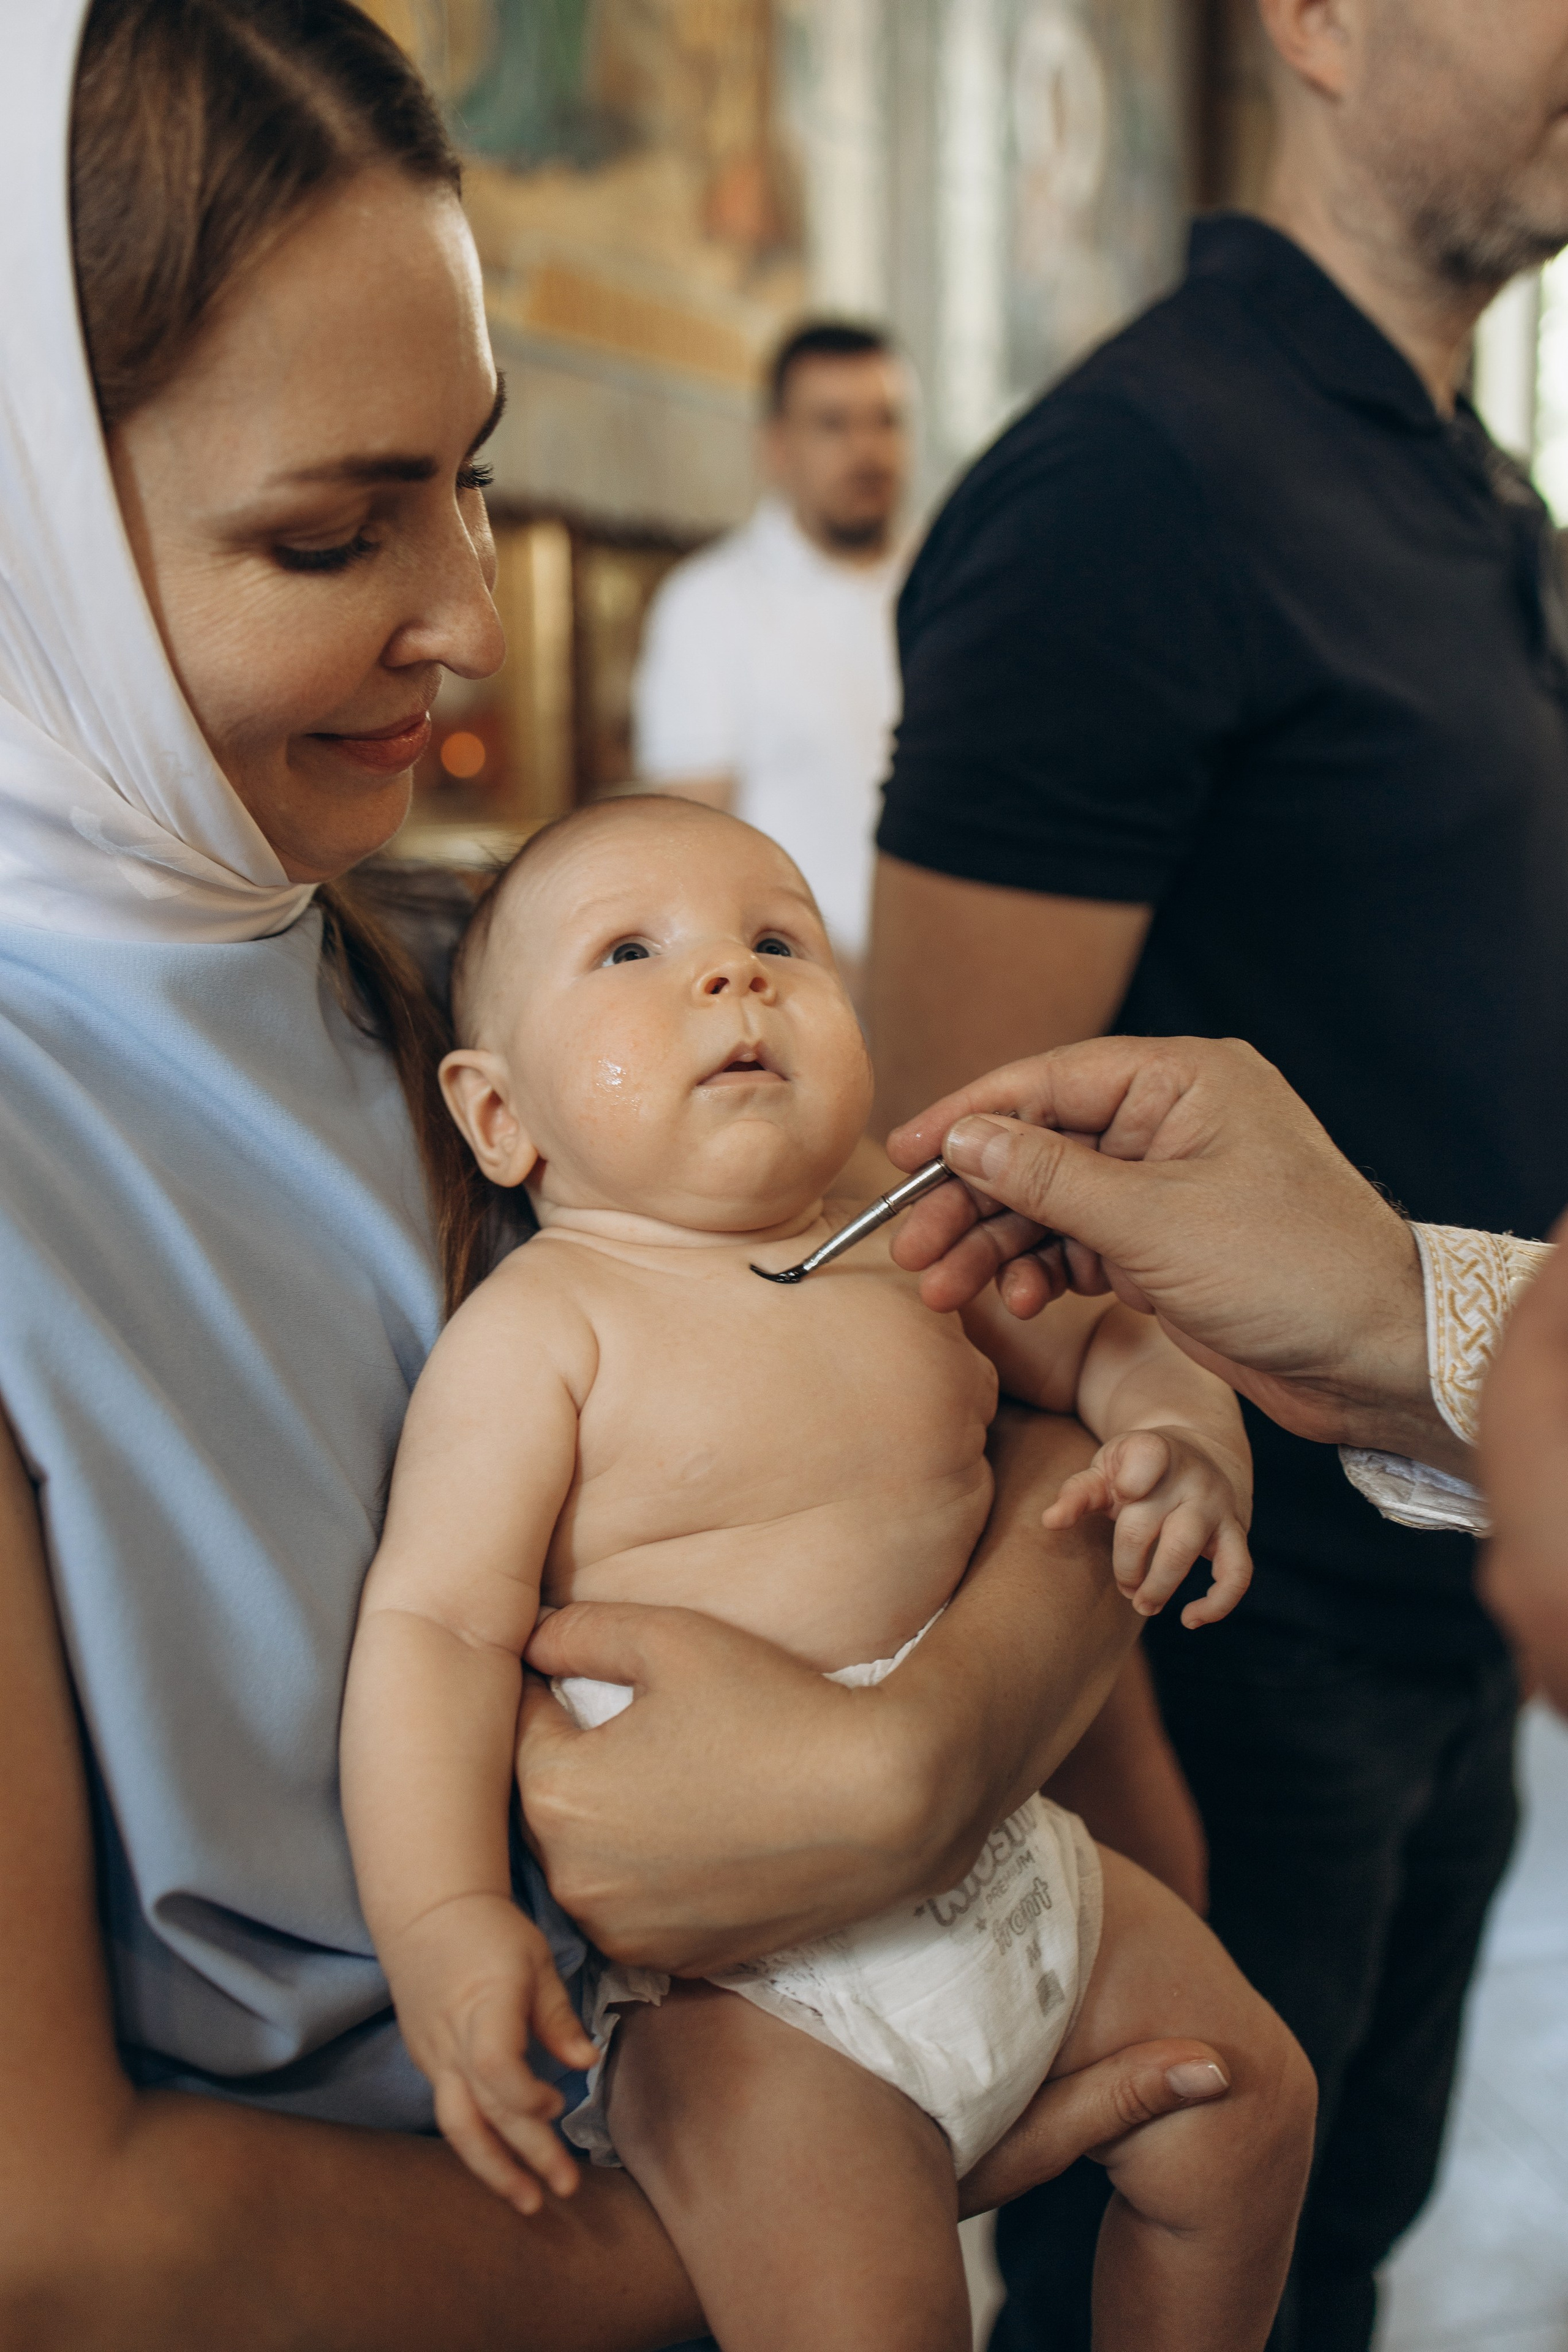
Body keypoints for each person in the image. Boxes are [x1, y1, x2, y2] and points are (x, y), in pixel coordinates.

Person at [0, 4, 1236, 2340]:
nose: (470, 624)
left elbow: (981, 1385)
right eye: (329, 532)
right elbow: (54, 2241)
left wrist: (917, 1761)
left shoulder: (484, 976)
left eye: (470, 478)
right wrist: (765, 2214)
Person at [870, 0, 1568, 2342]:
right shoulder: (1138, 483)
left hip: (1455, 1558)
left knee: (1340, 2257)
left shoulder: (1479, 495)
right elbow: (946, 1188)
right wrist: (1108, 1760)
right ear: (1317, 22)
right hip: (1216, 1631)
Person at [339, 797, 1304, 2352]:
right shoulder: (545, 1329)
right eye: (634, 951)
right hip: (744, 1992)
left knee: (1251, 2106)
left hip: (1007, 1860)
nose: (731, 979)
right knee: (869, 2316)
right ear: (498, 1112)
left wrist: (1179, 1422)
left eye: (776, 940)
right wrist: (444, 1917)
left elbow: (1106, 1339)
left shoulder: (900, 1221)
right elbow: (436, 1623)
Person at [879, 1030, 1565, 1707]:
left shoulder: (879, 1230)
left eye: (781, 945)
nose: (763, 976)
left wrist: (1185, 1439)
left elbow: (1105, 1344)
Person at [633, 320, 910, 983]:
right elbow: (697, 844)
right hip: (806, 990)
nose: (866, 451)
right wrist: (843, 978)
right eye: (834, 425)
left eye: (886, 422)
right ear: (777, 446)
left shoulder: (949, 582)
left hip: (966, 979)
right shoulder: (707, 604)